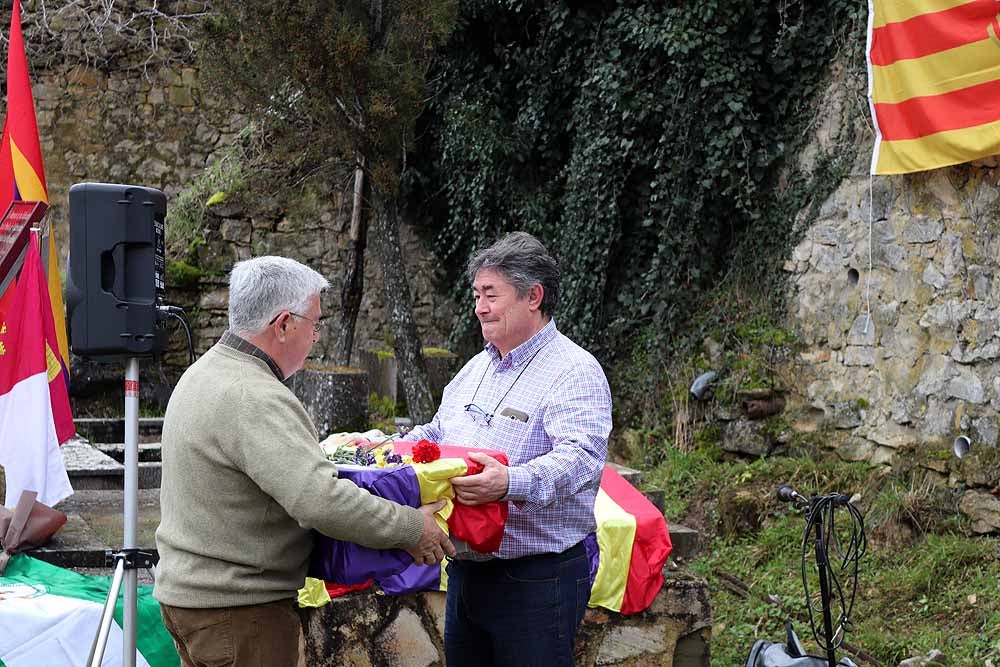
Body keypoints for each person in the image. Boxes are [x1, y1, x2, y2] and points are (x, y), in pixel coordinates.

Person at [154, 255, 454, 667]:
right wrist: (410, 527)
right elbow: (320, 500)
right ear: (283, 324)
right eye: (315, 323)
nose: (316, 337)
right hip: (240, 612)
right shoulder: (255, 395)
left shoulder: (205, 371)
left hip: (194, 599)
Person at [403, 232, 612, 666]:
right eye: (477, 295)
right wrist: (387, 447)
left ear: (533, 296)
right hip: (466, 569)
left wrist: (510, 483)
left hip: (537, 578)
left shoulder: (575, 370)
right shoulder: (477, 366)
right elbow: (438, 432)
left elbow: (581, 458)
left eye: (491, 294)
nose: (479, 307)